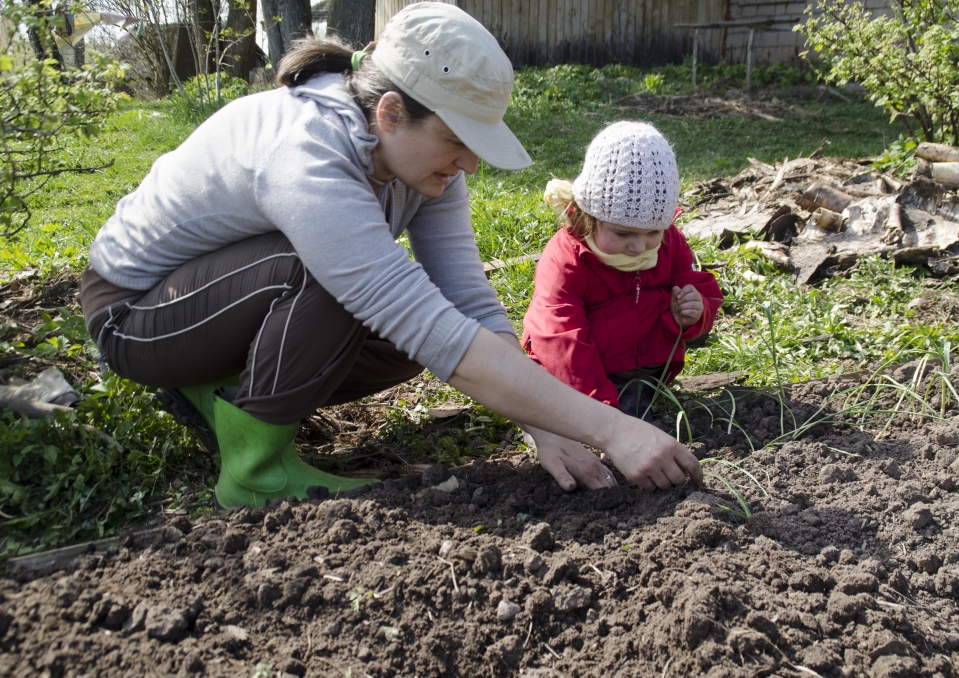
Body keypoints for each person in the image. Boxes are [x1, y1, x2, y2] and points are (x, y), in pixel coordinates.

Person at [79, 3, 703, 509]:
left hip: (224, 300)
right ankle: (253, 472)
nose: (470, 164)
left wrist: (548, 426)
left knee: (422, 331)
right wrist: (614, 428)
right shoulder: (306, 150)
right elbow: (424, 322)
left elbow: (466, 302)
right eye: (458, 141)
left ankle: (222, 391)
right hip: (139, 315)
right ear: (390, 113)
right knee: (333, 279)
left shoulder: (424, 168)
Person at [522, 121, 723, 423]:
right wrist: (603, 412)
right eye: (623, 233)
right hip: (575, 372)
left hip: (640, 369)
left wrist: (697, 311)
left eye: (653, 231)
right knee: (565, 416)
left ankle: (630, 399)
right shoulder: (567, 259)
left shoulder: (670, 242)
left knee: (637, 414)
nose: (639, 246)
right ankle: (549, 415)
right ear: (590, 216)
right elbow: (561, 338)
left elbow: (697, 286)